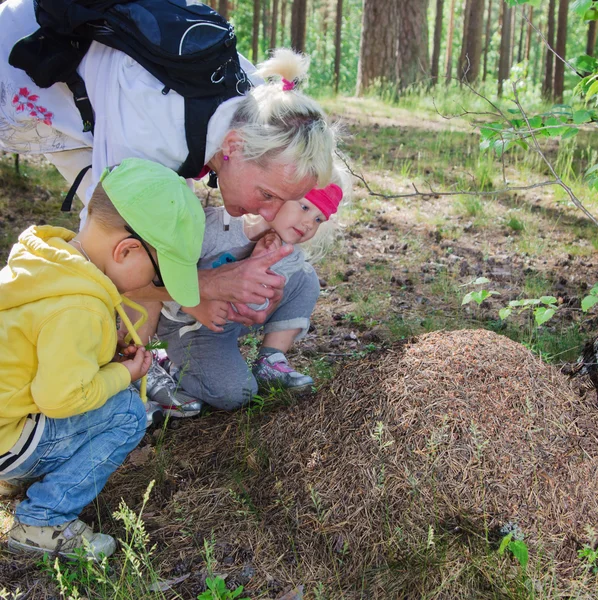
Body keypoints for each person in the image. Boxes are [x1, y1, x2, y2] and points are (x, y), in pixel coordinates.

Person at [0, 0, 338, 338]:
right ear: (233, 146)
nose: (271, 213)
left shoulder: (261, 109)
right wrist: (209, 285)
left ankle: (133, 354)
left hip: (89, 96)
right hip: (16, 68)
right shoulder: (155, 134)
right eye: (268, 195)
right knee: (129, 238)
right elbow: (106, 252)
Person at [0, 157, 205, 559]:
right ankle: (43, 519)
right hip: (9, 439)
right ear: (127, 250)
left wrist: (101, 353)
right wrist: (122, 373)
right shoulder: (80, 306)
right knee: (127, 411)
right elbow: (61, 398)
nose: (153, 286)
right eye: (158, 276)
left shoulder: (44, 263)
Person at [157, 183, 343, 412]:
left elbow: (252, 310)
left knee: (305, 278)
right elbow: (161, 275)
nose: (308, 224)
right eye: (304, 207)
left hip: (231, 321)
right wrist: (193, 303)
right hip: (188, 324)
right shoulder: (213, 228)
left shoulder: (288, 252)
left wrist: (261, 263)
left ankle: (270, 361)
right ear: (278, 195)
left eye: (318, 220)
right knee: (238, 394)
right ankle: (174, 367)